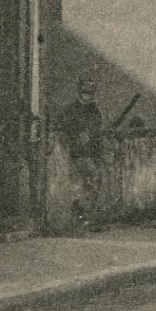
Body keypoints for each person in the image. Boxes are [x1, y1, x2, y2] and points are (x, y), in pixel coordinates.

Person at [58, 77, 103, 225]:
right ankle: (79, 214)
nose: (88, 95)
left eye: (90, 92)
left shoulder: (95, 110)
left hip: (90, 153)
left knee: (91, 184)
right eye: (85, 91)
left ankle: (86, 215)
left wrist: (97, 152)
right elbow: (66, 128)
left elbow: (97, 131)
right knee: (77, 185)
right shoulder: (71, 109)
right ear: (79, 91)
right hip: (76, 154)